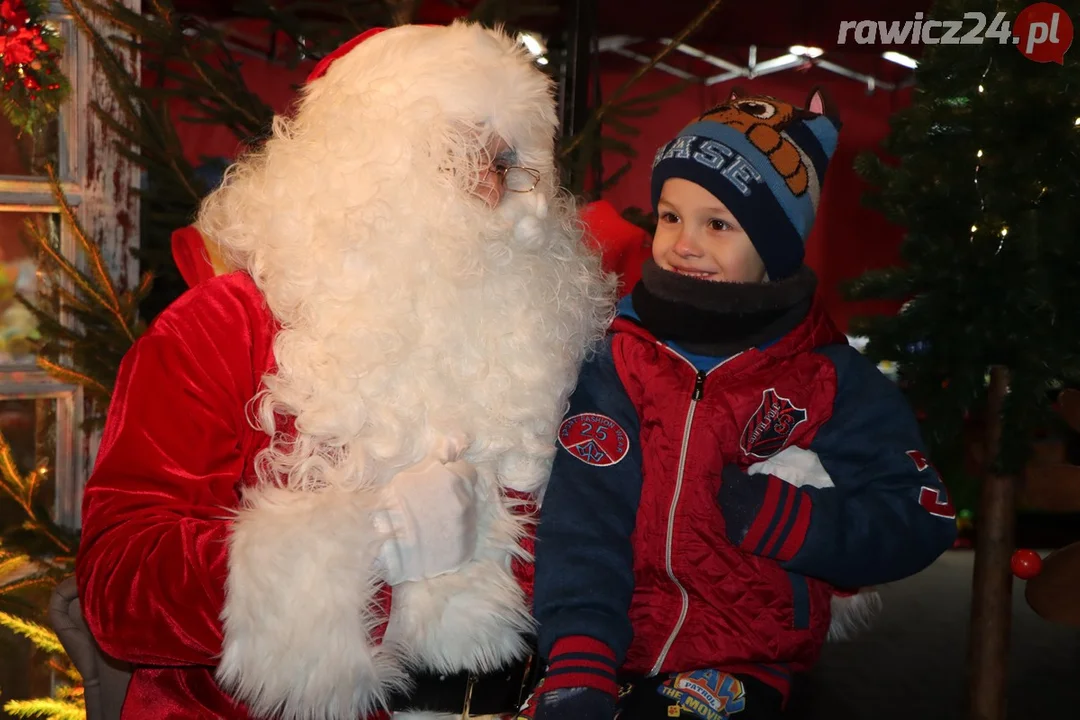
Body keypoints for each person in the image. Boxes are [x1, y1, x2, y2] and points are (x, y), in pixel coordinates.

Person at [74, 22, 614, 720]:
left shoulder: (553, 338)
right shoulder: (222, 328)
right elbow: (121, 588)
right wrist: (370, 543)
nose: (490, 189)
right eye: (458, 154)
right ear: (369, 163)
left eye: (509, 163)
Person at [523, 89, 958, 720]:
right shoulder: (618, 357)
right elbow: (584, 516)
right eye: (670, 217)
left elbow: (920, 516)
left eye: (718, 224)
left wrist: (791, 522)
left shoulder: (827, 376)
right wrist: (579, 657)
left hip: (739, 662)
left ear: (777, 247)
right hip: (604, 651)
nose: (684, 243)